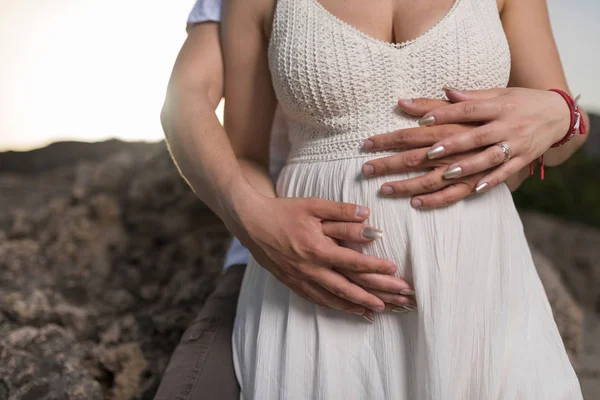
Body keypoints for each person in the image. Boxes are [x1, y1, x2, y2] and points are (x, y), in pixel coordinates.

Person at [155, 0, 587, 399]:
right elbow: (236, 145)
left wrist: (559, 116)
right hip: (314, 289)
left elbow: (564, 127)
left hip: (480, 281)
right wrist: (258, 220)